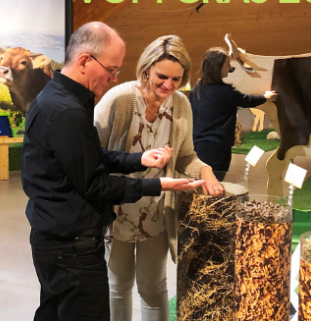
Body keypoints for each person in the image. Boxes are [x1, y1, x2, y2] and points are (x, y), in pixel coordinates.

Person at [21, 22, 205, 321]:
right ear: (84, 61)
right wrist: (158, 186)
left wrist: (138, 160)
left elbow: (88, 157)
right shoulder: (68, 111)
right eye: (112, 69)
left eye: (177, 78)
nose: (113, 77)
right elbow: (95, 184)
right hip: (72, 246)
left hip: (61, 239)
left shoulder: (61, 100)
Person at [93, 35, 222, 321]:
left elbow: (186, 156)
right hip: (117, 212)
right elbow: (91, 153)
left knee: (154, 287)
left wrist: (206, 170)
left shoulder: (181, 105)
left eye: (177, 79)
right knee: (118, 285)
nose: (168, 85)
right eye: (162, 76)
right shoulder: (120, 99)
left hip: (157, 213)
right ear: (146, 69)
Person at [189, 47, 278, 180]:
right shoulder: (225, 90)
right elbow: (246, 100)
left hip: (197, 146)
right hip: (217, 148)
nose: (230, 68)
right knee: (214, 185)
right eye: (227, 65)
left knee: (201, 186)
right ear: (217, 67)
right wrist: (265, 97)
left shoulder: (198, 86)